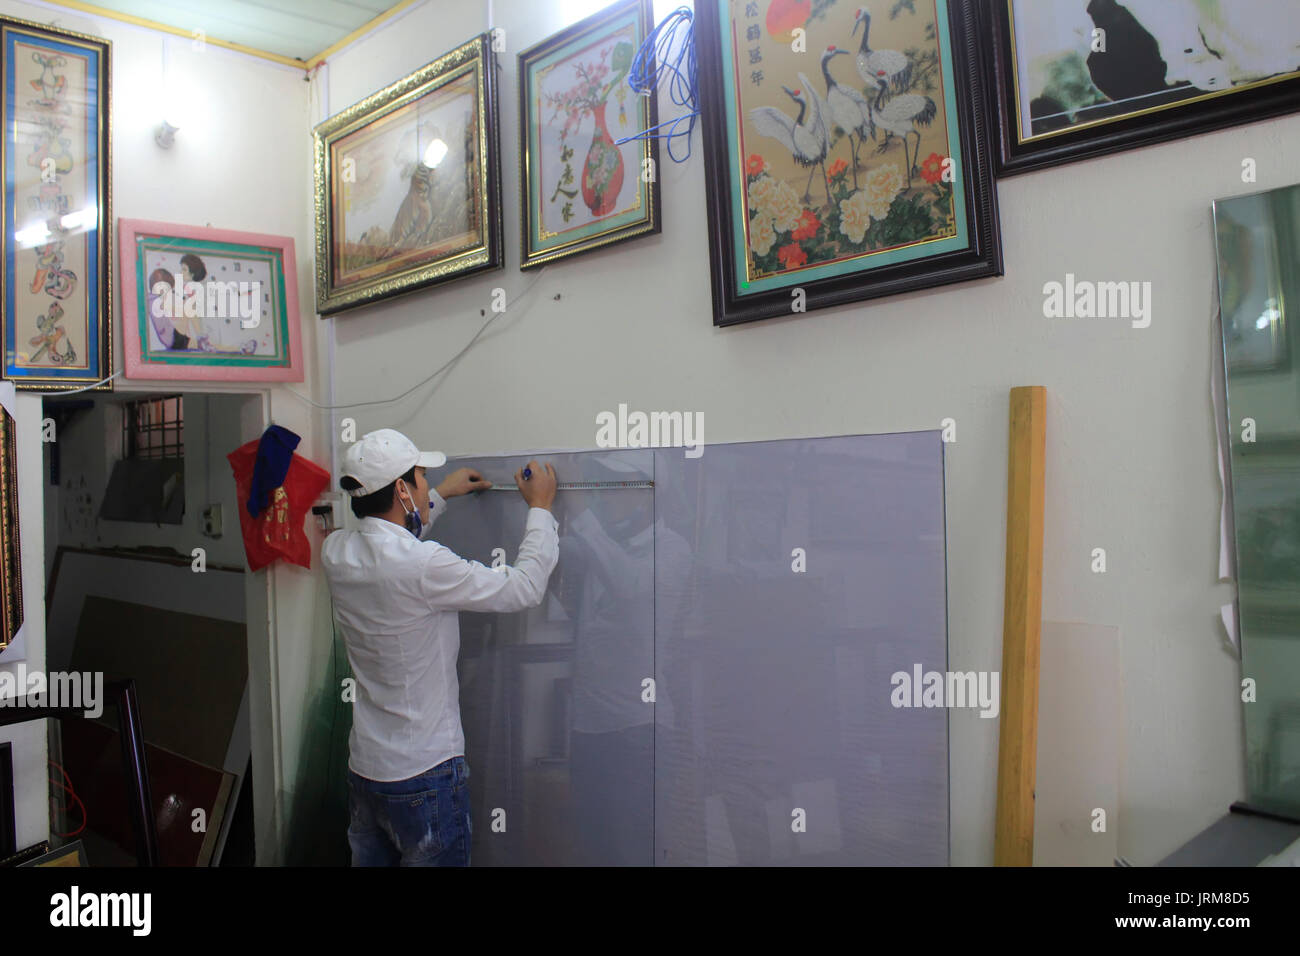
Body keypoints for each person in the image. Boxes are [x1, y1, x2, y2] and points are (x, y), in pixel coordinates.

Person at [320, 428, 559, 866]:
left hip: (366, 772)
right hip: (424, 777)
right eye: (421, 478)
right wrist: (541, 509)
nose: (428, 484)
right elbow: (522, 588)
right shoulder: (425, 564)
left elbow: (390, 542)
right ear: (401, 490)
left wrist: (440, 496)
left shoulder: (336, 551)